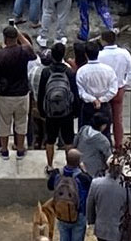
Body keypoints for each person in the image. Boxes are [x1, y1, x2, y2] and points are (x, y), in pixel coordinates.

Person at [0, 25, 37, 161]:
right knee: (21, 122)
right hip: (22, 93)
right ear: (17, 38)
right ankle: (20, 149)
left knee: (4, 123)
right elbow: (31, 49)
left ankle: (4, 150)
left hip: (5, 95)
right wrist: (20, 33)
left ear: (5, 38)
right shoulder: (24, 51)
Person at [37, 42, 79, 174]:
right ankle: (70, 166)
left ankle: (49, 166)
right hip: (66, 112)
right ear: (63, 55)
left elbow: (41, 94)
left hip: (50, 113)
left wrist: (42, 111)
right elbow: (74, 93)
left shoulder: (46, 72)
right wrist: (75, 110)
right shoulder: (69, 72)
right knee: (68, 140)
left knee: (50, 140)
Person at [98, 29, 131, 149]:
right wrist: (125, 85)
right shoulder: (124, 53)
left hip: (104, 90)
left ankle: (105, 144)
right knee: (118, 119)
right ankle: (119, 144)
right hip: (119, 89)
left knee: (104, 118)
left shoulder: (100, 55)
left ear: (103, 40)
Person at [86, 158, 131, 241]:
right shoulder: (128, 187)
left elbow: (90, 205)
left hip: (101, 230)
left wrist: (91, 220)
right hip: (120, 231)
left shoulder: (95, 183)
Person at [76, 41, 118, 141]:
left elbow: (81, 92)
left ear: (86, 55)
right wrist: (102, 99)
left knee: (86, 134)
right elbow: (113, 90)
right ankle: (107, 155)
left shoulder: (82, 71)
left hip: (88, 106)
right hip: (104, 106)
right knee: (105, 134)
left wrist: (93, 99)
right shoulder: (109, 70)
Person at [47, 149, 92, 241]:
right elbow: (91, 189)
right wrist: (84, 171)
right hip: (78, 214)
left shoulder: (57, 173)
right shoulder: (83, 177)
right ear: (78, 162)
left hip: (61, 212)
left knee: (64, 237)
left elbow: (50, 186)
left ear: (66, 160)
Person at [73, 113, 111, 178]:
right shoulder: (103, 140)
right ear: (103, 126)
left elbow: (74, 144)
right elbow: (109, 159)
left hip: (78, 166)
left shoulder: (83, 129)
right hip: (94, 173)